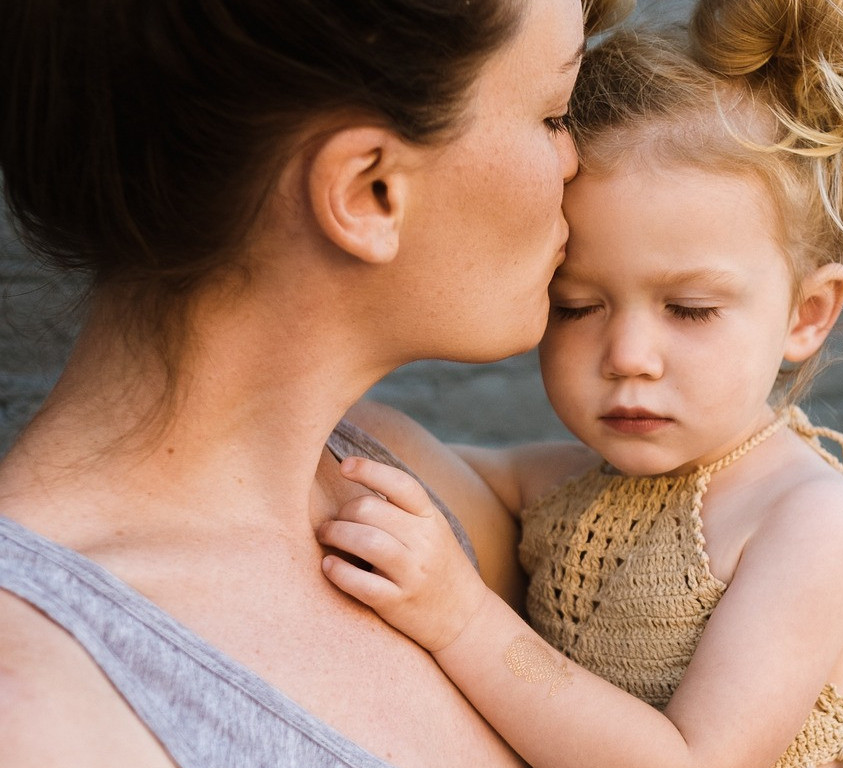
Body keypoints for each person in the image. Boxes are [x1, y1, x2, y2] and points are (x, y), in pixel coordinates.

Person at [0, 0, 628, 765]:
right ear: (370, 191)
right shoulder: (38, 705)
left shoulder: (405, 482)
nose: (576, 161)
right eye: (554, 116)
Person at [317, 1, 843, 767]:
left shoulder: (810, 521)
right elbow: (408, 459)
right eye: (577, 306)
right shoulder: (566, 489)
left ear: (807, 313)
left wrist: (460, 619)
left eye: (689, 310)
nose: (628, 356)